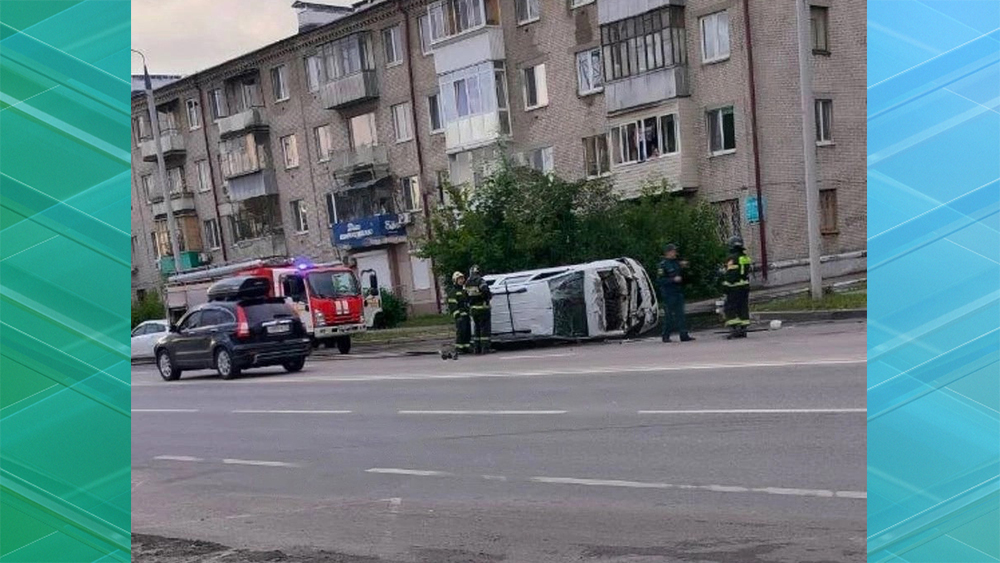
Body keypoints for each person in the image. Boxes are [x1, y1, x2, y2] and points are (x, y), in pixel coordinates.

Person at [656, 244, 694, 343]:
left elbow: (684, 276)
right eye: (673, 251)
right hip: (668, 294)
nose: (675, 253)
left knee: (681, 314)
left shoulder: (676, 263)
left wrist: (685, 267)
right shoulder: (663, 265)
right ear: (668, 252)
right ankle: (665, 335)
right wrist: (673, 279)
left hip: (678, 292)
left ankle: (684, 335)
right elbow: (660, 281)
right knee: (669, 316)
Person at [722, 236, 752, 339]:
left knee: (730, 308)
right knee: (743, 307)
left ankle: (734, 330)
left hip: (734, 287)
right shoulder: (745, 257)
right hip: (745, 287)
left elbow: (731, 275)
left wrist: (725, 287)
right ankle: (743, 330)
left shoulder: (731, 258)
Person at [466, 265, 493, 354]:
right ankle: (485, 348)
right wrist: (487, 298)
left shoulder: (467, 282)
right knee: (484, 329)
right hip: (482, 308)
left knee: (477, 329)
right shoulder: (480, 280)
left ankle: (476, 349)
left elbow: (465, 295)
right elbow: (485, 290)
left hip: (473, 309)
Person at [447, 272, 472, 356]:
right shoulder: (453, 292)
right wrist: (457, 315)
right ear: (455, 280)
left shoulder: (463, 291)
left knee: (467, 332)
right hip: (460, 316)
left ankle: (466, 347)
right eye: (459, 279)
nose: (461, 280)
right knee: (461, 332)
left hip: (466, 315)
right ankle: (459, 348)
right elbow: (452, 305)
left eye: (462, 279)